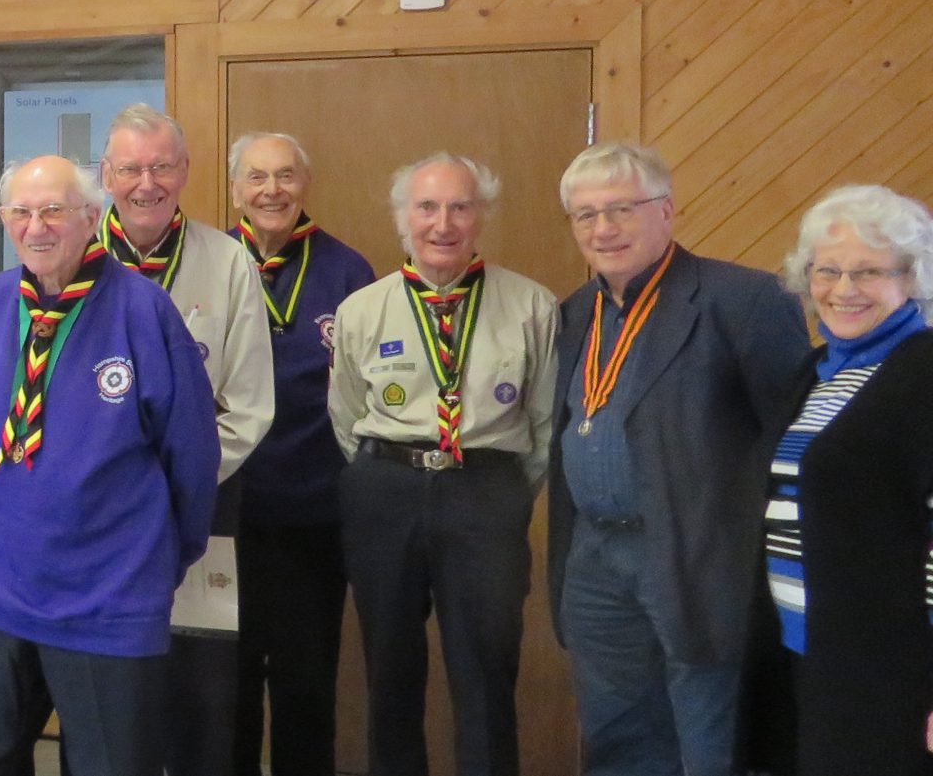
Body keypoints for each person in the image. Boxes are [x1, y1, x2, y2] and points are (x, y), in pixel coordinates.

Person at [544, 142, 807, 776]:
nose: (604, 229)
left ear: (667, 211)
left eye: (621, 209)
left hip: (695, 557)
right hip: (596, 561)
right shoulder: (576, 312)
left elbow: (790, 439)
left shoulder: (743, 300)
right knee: (617, 738)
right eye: (586, 215)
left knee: (707, 740)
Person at [0, 155, 218, 776]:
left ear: (93, 218)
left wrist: (156, 558)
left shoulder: (144, 312)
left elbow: (193, 456)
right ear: (2, 220)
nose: (36, 227)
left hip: (107, 596)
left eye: (54, 211)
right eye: (21, 212)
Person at [329, 152, 558, 776]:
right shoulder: (362, 309)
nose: (443, 222)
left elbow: (542, 428)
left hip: (485, 492)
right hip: (386, 490)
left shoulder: (532, 306)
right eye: (427, 206)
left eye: (460, 206)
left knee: (486, 669)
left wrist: (497, 490)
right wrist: (395, 467)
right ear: (404, 218)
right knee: (390, 669)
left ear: (480, 215)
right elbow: (347, 416)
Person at [88, 104, 276, 776]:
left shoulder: (228, 261)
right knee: (107, 680)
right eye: (132, 167)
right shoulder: (69, 256)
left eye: (162, 166)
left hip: (199, 503)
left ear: (186, 172)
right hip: (96, 511)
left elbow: (250, 404)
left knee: (201, 681)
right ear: (106, 174)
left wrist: (179, 483)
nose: (147, 182)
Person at [757, 185, 933, 775]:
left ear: (911, 278)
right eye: (827, 271)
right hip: (811, 650)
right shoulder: (818, 369)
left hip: (889, 665)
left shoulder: (922, 371)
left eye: (867, 272)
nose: (843, 290)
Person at [221, 132, 375, 776]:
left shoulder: (348, 270)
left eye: (285, 176)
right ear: (235, 188)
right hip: (221, 513)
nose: (271, 191)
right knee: (224, 689)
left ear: (304, 184)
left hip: (314, 514)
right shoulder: (210, 260)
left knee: (305, 687)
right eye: (256, 177)